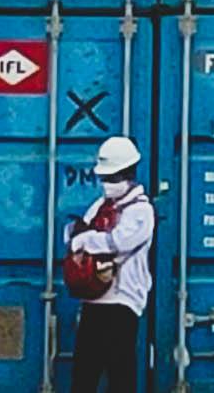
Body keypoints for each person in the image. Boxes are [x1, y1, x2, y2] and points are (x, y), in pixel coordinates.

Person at [67, 135, 154, 393]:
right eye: (104, 178)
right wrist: (78, 238)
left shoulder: (141, 210)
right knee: (83, 376)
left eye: (112, 178)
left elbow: (119, 242)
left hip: (123, 303)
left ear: (128, 174)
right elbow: (75, 234)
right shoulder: (99, 207)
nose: (107, 184)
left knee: (120, 376)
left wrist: (85, 241)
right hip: (94, 300)